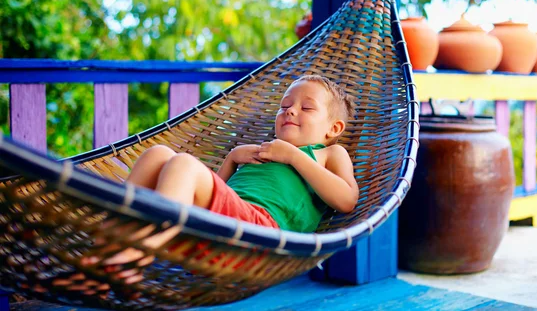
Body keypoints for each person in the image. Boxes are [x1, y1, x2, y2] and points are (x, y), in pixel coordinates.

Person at [84, 75, 358, 279]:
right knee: (157, 154)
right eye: (284, 105)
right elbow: (213, 195)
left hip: (262, 236)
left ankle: (140, 251)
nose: (290, 110)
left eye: (306, 108)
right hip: (221, 227)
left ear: (333, 128)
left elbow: (347, 200)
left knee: (183, 164)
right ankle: (104, 248)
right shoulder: (263, 152)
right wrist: (231, 160)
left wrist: (293, 156)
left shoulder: (329, 154)